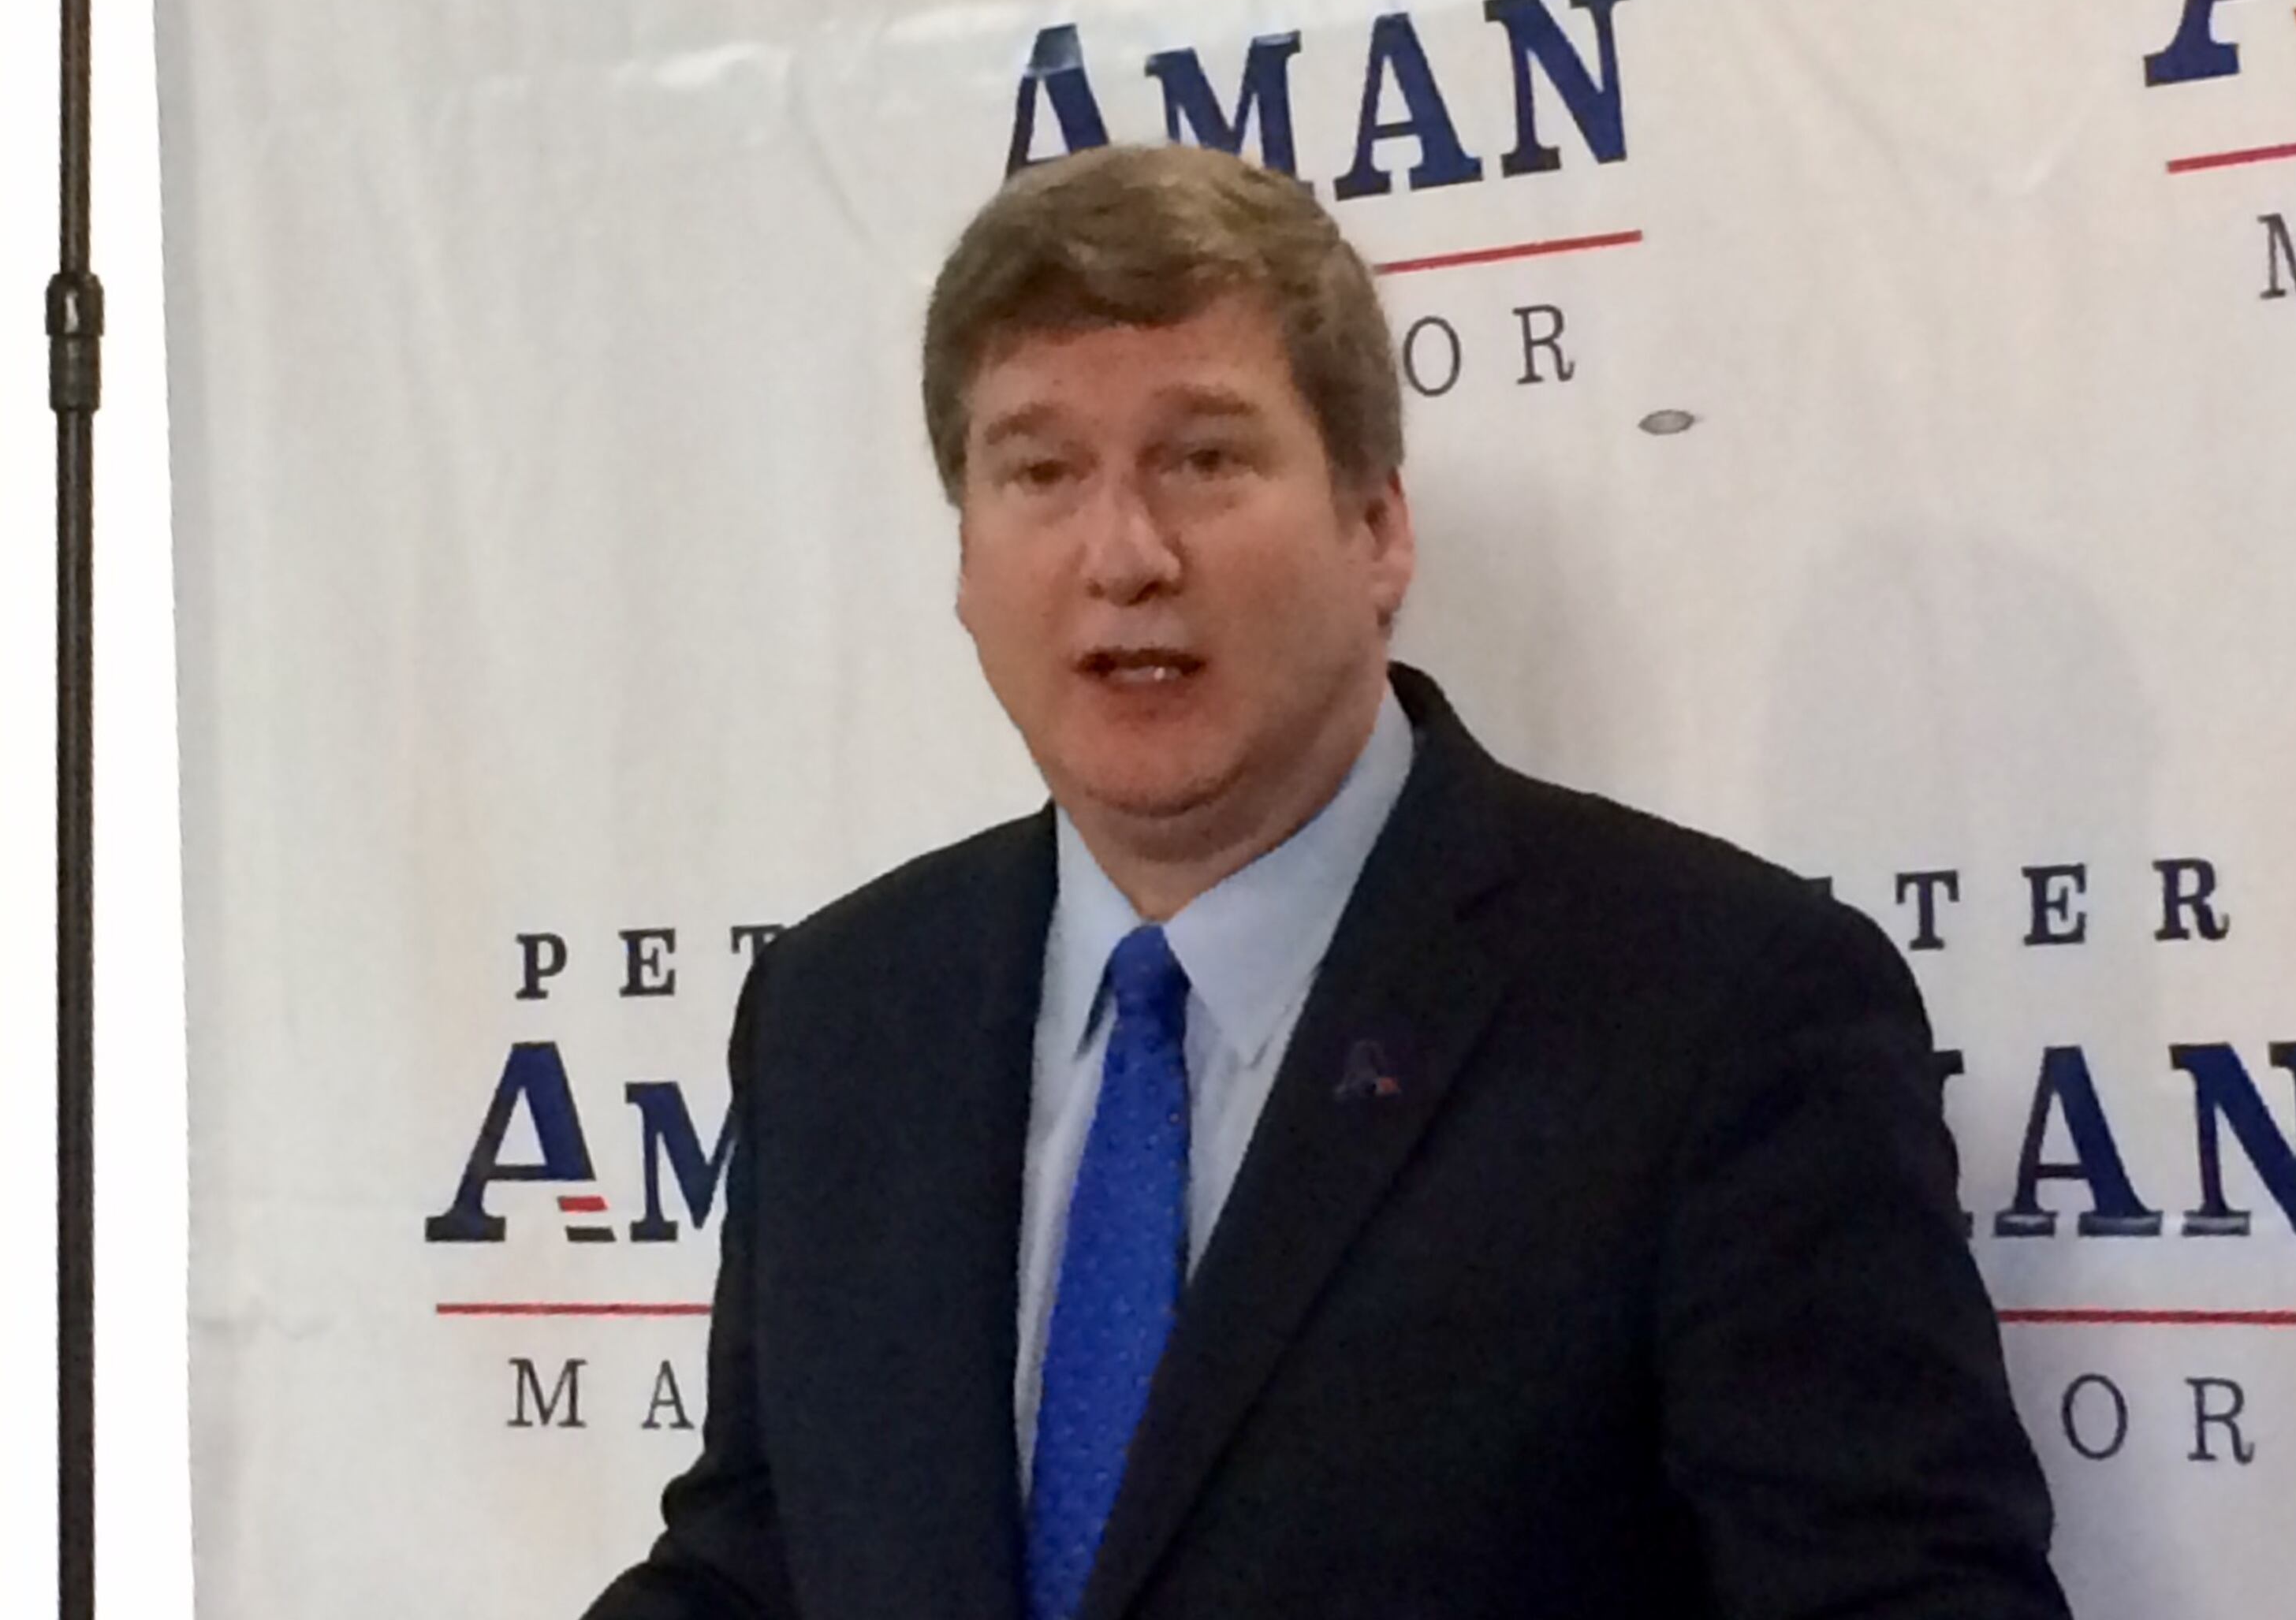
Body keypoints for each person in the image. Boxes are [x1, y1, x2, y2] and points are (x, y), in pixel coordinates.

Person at [583, 143, 2067, 1620]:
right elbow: (759, 1556)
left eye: (1205, 458)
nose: (1125, 554)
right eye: (1039, 470)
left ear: (1377, 529)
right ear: (965, 558)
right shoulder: (842, 1010)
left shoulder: (1720, 1008)